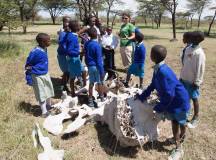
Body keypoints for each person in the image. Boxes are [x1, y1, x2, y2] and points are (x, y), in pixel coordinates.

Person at [135, 45, 190, 159]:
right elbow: (153, 85)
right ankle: (180, 137)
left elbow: (169, 95)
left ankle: (179, 148)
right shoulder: (158, 69)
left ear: (153, 56)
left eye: (151, 53)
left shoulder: (163, 72)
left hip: (178, 102)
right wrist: (142, 96)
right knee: (180, 122)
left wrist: (159, 108)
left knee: (177, 123)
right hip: (176, 101)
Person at [180, 31, 206, 128]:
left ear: (198, 40)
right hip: (184, 78)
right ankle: (186, 113)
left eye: (193, 38)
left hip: (192, 81)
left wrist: (197, 81)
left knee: (194, 98)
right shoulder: (188, 49)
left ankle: (196, 117)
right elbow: (185, 63)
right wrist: (182, 76)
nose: (190, 39)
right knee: (185, 97)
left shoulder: (199, 53)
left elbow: (201, 68)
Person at [25, 33, 54, 118]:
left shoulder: (44, 48)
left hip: (45, 73)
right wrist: (29, 77)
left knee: (49, 89)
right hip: (37, 76)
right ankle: (44, 112)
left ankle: (49, 105)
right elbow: (28, 65)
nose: (50, 41)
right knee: (41, 93)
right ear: (42, 42)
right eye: (48, 40)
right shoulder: (35, 52)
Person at [84, 27, 105, 107]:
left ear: (89, 35)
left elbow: (85, 55)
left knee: (91, 83)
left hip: (90, 66)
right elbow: (99, 61)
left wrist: (88, 64)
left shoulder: (87, 44)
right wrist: (102, 71)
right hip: (96, 66)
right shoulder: (97, 45)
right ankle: (102, 97)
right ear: (96, 34)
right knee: (99, 83)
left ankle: (90, 101)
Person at [66, 20, 83, 97]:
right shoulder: (73, 37)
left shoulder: (71, 35)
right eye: (79, 25)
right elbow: (69, 51)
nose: (81, 27)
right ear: (76, 27)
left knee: (82, 71)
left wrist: (78, 47)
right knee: (72, 76)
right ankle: (73, 92)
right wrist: (79, 52)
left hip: (74, 58)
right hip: (73, 58)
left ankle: (82, 86)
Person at [57, 22, 70, 92]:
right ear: (64, 27)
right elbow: (62, 45)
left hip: (67, 55)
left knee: (68, 71)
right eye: (66, 26)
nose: (68, 27)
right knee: (66, 71)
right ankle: (63, 86)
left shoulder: (69, 34)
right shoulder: (63, 34)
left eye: (69, 26)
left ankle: (65, 85)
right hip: (63, 55)